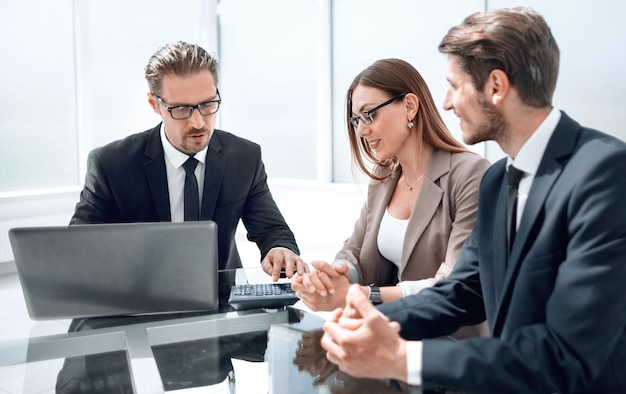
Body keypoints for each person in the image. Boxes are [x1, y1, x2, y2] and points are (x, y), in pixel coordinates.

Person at [321, 7, 626, 393]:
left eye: (455, 85)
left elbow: (566, 353)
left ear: (495, 86)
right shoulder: (498, 180)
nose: (446, 103)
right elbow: (463, 291)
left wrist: (402, 358)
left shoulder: (605, 173)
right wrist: (368, 322)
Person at [70, 41, 305, 280]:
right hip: (136, 305)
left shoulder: (244, 157)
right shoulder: (111, 164)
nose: (198, 122)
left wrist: (280, 248)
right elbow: (75, 248)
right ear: (155, 104)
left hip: (220, 304)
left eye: (208, 105)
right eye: (181, 109)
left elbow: (272, 230)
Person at [291, 59, 489, 326]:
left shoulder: (470, 174)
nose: (361, 130)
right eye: (355, 119)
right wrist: (337, 276)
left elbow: (454, 283)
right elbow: (355, 250)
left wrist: (362, 295)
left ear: (409, 107)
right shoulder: (384, 180)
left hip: (450, 345)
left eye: (369, 114)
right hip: (390, 338)